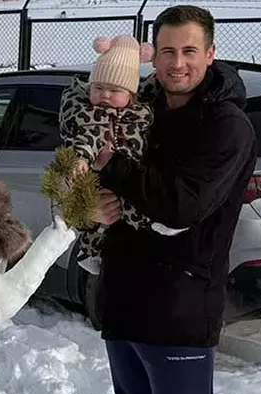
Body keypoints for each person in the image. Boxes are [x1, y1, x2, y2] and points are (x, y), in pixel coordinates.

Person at [90, 5, 257, 394]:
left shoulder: (225, 126)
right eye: (167, 51)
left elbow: (184, 204)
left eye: (189, 50)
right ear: (153, 54)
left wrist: (113, 167)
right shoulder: (133, 110)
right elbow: (76, 170)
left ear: (210, 53)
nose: (177, 63)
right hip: (122, 305)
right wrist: (87, 206)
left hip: (178, 313)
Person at [60, 34, 186, 275]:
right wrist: (82, 159)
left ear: (131, 95)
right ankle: (91, 252)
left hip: (133, 179)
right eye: (98, 88)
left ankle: (152, 222)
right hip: (104, 184)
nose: (105, 95)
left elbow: (153, 84)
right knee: (109, 214)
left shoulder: (140, 111)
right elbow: (87, 140)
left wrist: (163, 72)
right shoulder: (90, 116)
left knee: (127, 206)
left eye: (114, 89)